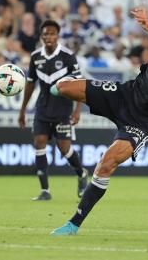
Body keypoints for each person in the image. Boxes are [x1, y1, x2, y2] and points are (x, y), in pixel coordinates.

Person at [49, 2, 148, 235]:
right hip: (125, 95)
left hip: (143, 121)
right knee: (64, 86)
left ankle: (73, 224)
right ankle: (53, 89)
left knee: (106, 163)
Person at [18, 19, 88, 201]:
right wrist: (23, 110)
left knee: (64, 148)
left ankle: (81, 174)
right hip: (42, 109)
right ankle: (45, 191)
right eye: (45, 34)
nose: (48, 37)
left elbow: (80, 84)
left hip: (63, 110)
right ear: (42, 36)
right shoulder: (35, 57)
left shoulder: (67, 56)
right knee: (39, 142)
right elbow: (30, 84)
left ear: (58, 36)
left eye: (52, 34)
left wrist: (77, 110)